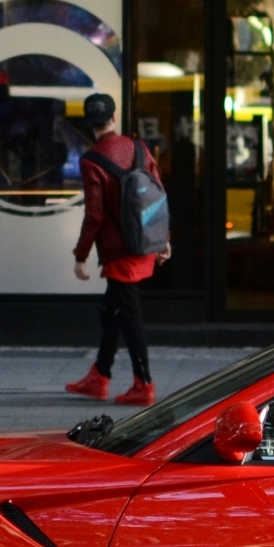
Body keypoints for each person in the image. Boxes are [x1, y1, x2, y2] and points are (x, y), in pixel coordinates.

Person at [66, 92, 169, 406]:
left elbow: (95, 214)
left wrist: (81, 255)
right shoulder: (139, 148)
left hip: (119, 250)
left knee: (129, 315)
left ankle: (144, 384)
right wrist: (164, 238)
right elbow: (158, 193)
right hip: (146, 241)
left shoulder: (91, 161)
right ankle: (100, 375)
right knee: (111, 311)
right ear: (113, 117)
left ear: (90, 123)